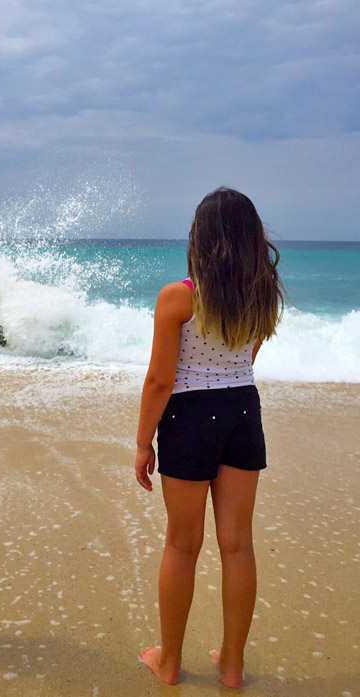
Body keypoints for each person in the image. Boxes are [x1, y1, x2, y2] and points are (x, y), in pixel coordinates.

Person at [134, 188, 284, 688]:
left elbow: (160, 380)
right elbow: (247, 358)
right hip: (243, 410)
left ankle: (171, 662)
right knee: (238, 545)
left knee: (182, 544)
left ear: (201, 238)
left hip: (190, 417)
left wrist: (142, 442)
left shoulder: (179, 296)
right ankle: (233, 667)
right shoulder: (262, 292)